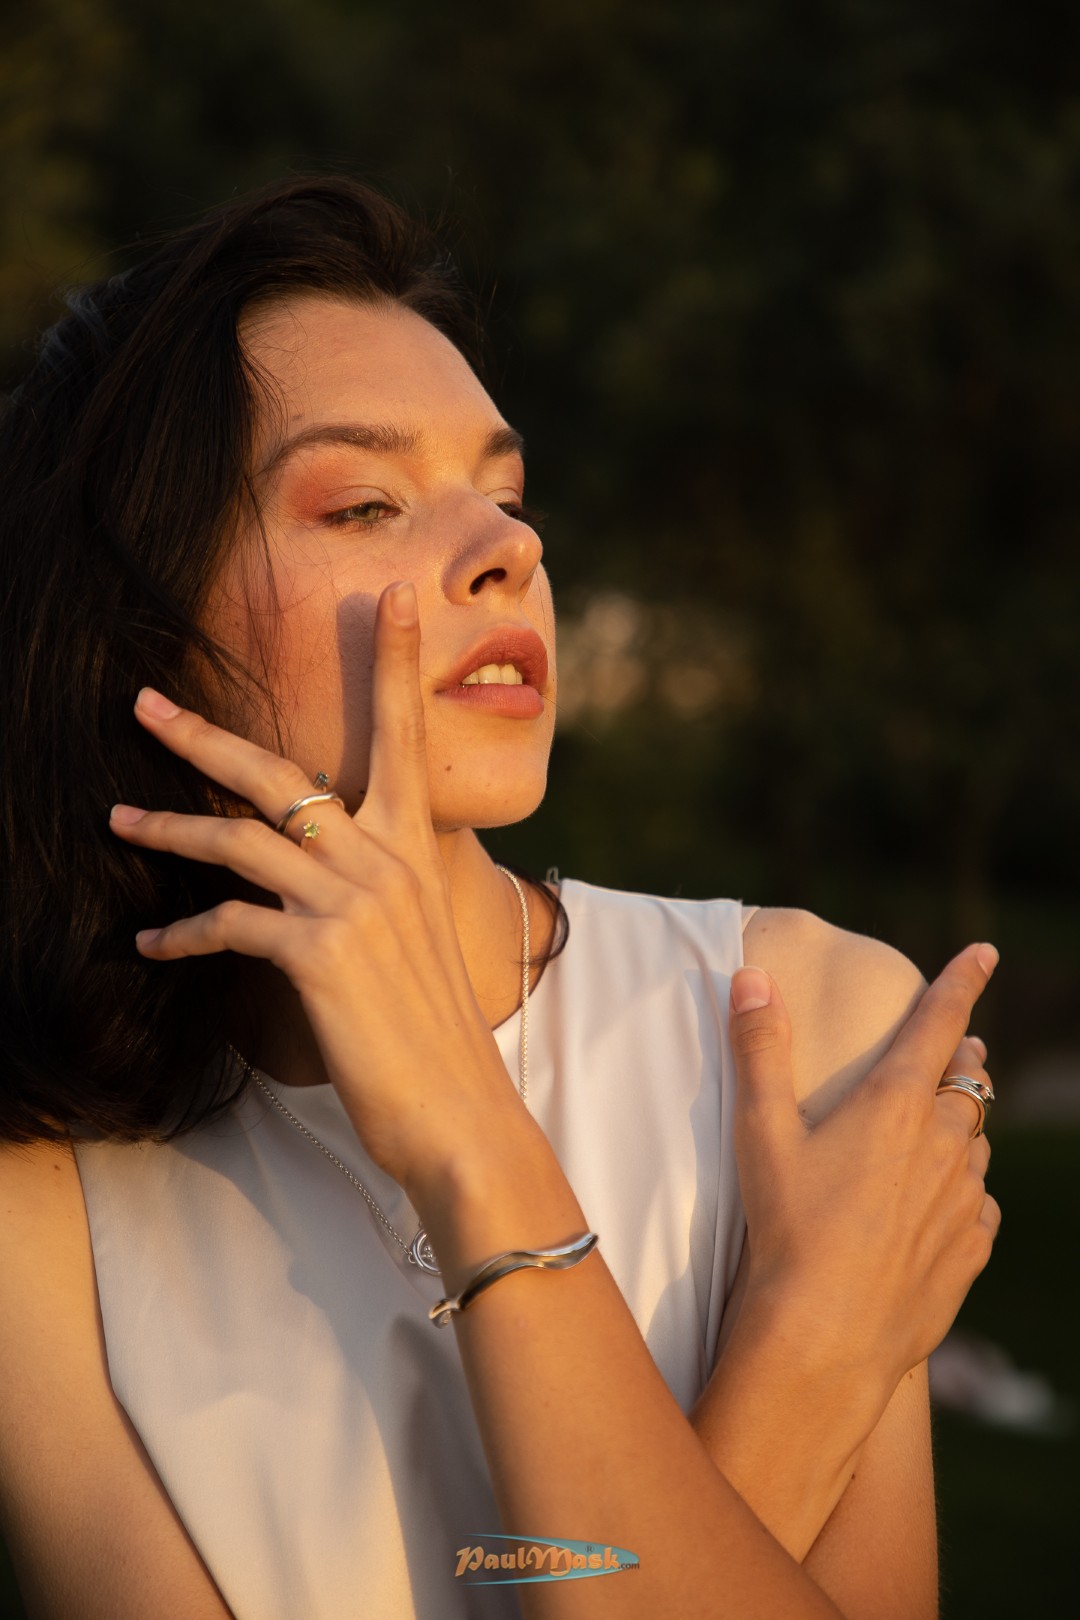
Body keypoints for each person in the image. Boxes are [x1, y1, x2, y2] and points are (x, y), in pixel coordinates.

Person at [0, 176, 999, 1620]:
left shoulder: (799, 1024)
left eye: (509, 498)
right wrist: (807, 1366)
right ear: (130, 629)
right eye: (365, 503)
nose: (511, 548)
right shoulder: (42, 1196)